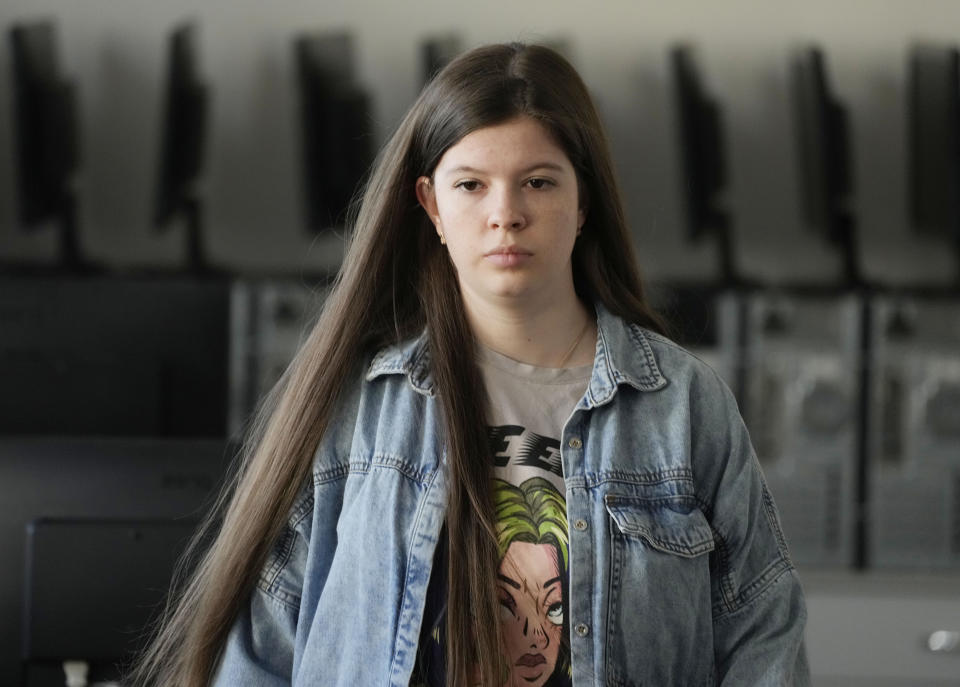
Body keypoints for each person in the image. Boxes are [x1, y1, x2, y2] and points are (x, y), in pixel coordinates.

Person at [131, 42, 809, 687]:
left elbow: (763, 629)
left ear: (583, 204)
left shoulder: (682, 404)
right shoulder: (359, 407)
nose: (505, 214)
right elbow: (261, 649)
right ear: (431, 204)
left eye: (538, 182)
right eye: (471, 185)